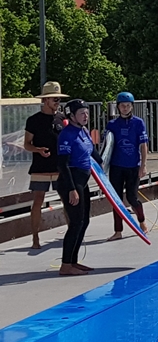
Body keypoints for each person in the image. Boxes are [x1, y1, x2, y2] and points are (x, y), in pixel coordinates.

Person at [21, 81, 69, 250]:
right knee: (38, 200)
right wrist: (37, 150)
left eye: (59, 99)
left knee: (66, 199)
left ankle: (72, 234)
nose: (57, 102)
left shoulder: (62, 118)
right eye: (54, 99)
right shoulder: (33, 120)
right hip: (40, 166)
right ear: (45, 100)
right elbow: (26, 144)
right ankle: (35, 238)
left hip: (60, 166)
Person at [56, 99, 96, 276]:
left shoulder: (84, 131)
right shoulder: (66, 135)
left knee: (84, 221)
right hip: (70, 182)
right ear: (71, 116)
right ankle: (65, 265)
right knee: (75, 223)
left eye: (86, 112)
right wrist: (72, 189)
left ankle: (73, 261)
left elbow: (94, 155)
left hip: (83, 181)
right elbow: (62, 165)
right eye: (81, 113)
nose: (85, 115)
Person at [105, 92, 149, 240]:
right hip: (116, 166)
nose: (125, 108)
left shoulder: (138, 123)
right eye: (122, 106)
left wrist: (143, 165)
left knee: (132, 197)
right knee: (116, 199)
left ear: (132, 106)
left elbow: (143, 145)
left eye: (128, 105)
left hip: (133, 166)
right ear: (118, 107)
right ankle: (118, 231)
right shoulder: (112, 125)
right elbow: (107, 147)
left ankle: (142, 221)